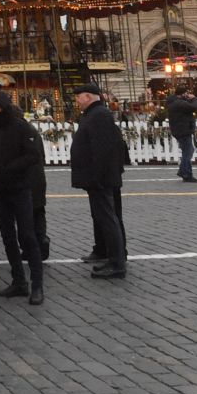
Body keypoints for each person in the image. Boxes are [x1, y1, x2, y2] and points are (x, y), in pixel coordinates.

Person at [0, 90, 46, 304]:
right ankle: (18, 281)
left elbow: (32, 155)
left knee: (27, 236)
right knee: (7, 237)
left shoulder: (21, 127)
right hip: (0, 191)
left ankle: (37, 284)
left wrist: (10, 168)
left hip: (20, 189)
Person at [70, 82, 129, 280]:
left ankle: (117, 263)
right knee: (103, 217)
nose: (77, 101)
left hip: (101, 178)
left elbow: (103, 150)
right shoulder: (94, 115)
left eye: (79, 97)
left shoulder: (99, 116)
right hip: (97, 177)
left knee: (108, 217)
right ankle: (109, 254)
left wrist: (98, 176)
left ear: (88, 97)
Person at [167, 87, 197, 182]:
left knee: (186, 151)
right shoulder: (179, 103)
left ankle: (185, 172)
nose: (187, 95)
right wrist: (195, 98)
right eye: (186, 93)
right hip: (183, 130)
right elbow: (193, 107)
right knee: (188, 151)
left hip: (179, 130)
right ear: (182, 94)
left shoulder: (174, 102)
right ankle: (185, 173)